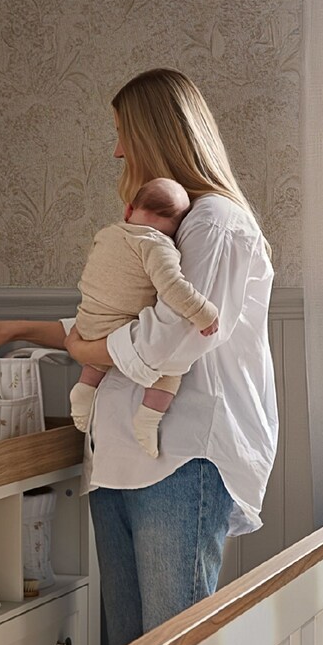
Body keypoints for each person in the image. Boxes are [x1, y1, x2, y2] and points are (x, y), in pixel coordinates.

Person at [0, 67, 278, 645]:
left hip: (181, 458)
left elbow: (170, 340)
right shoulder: (162, 231)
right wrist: (21, 328)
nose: (115, 150)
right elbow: (116, 325)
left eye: (121, 133)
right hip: (121, 460)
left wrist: (83, 350)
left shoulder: (215, 224)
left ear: (157, 135)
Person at [70, 176, 218, 458]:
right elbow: (173, 288)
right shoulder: (157, 245)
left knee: (99, 352)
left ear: (128, 211)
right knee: (173, 369)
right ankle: (148, 420)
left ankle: (85, 388)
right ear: (177, 227)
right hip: (118, 328)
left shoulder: (107, 234)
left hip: (87, 320)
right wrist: (204, 313)